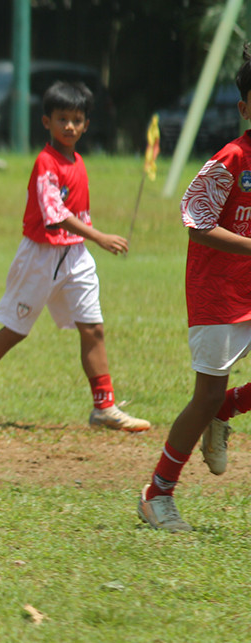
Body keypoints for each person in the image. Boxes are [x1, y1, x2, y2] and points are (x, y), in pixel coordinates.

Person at [0, 81, 149, 432]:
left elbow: (75, 214)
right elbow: (54, 212)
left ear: (86, 124)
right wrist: (99, 236)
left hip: (75, 256)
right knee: (14, 332)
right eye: (62, 118)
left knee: (93, 328)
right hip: (40, 257)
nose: (69, 126)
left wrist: (88, 240)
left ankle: (104, 407)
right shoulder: (45, 163)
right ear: (46, 122)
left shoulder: (79, 161)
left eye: (77, 119)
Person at [137, 44, 251, 532]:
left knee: (216, 401)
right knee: (204, 396)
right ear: (245, 107)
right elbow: (195, 221)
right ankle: (157, 494)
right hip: (218, 294)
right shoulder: (230, 158)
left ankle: (227, 410)